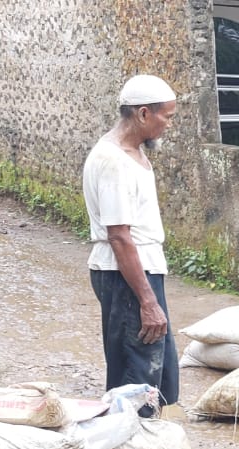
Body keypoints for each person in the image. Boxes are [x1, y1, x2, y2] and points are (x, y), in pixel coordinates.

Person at [84, 74, 182, 406]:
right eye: (166, 117)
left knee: (159, 373)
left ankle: (149, 448)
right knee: (137, 379)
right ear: (142, 114)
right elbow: (120, 237)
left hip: (140, 272)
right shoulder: (113, 161)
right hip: (126, 276)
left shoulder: (132, 154)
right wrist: (147, 302)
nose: (168, 124)